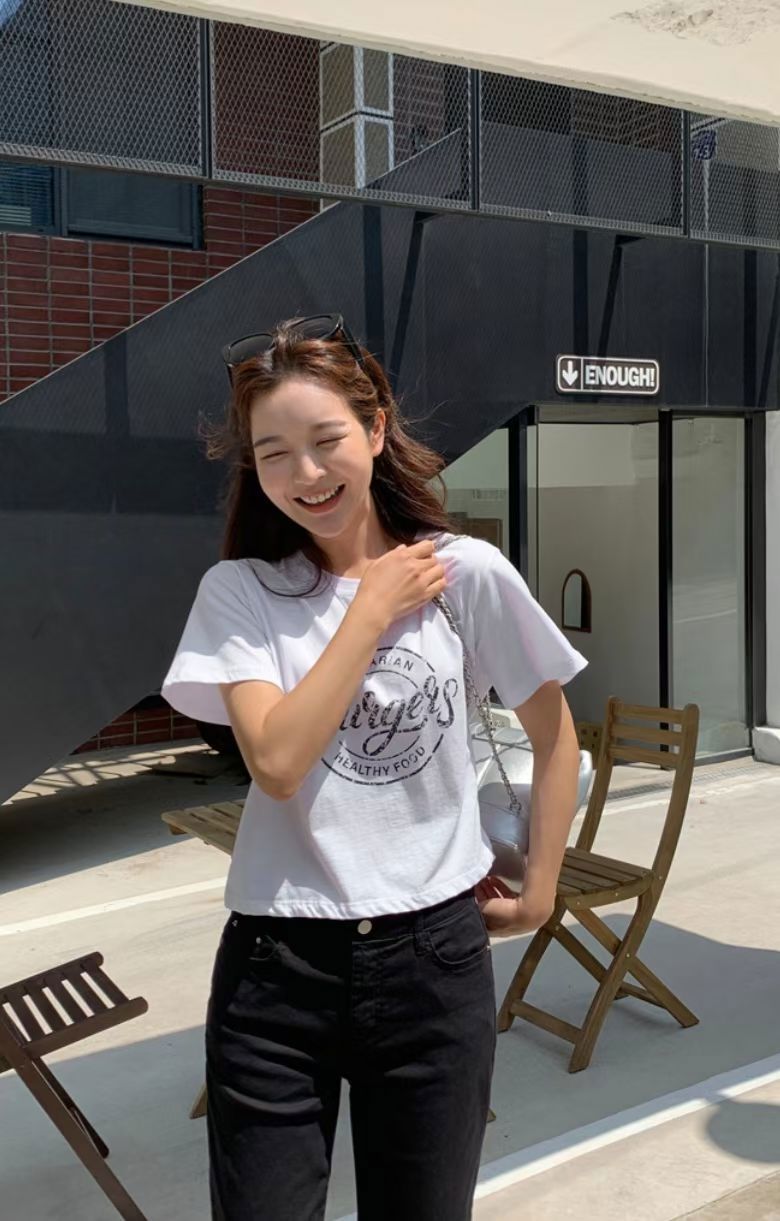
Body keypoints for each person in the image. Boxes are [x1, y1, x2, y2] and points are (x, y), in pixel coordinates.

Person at [161, 314, 587, 1221]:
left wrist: (542, 892)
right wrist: (369, 609)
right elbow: (277, 761)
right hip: (277, 965)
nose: (306, 473)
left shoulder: (467, 574)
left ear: (377, 428)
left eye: (326, 440)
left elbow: (557, 738)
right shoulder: (240, 592)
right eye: (274, 454)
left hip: (433, 958)